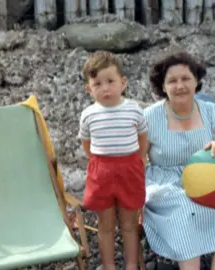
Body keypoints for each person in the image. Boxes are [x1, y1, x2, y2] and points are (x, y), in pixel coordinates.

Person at [141, 51, 215, 270]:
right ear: (163, 87)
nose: (180, 85)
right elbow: (137, 161)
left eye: (186, 78)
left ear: (196, 82)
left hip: (210, 178)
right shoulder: (149, 117)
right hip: (167, 183)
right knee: (185, 209)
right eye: (172, 81)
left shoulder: (213, 112)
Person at [78, 50, 148, 270]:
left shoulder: (134, 110)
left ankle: (131, 264)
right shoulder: (88, 114)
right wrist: (99, 162)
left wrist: (138, 160)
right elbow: (87, 144)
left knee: (128, 224)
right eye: (97, 83)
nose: (105, 88)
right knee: (105, 225)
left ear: (123, 82)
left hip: (129, 169)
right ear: (89, 89)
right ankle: (109, 265)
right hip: (102, 171)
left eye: (110, 81)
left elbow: (142, 137)